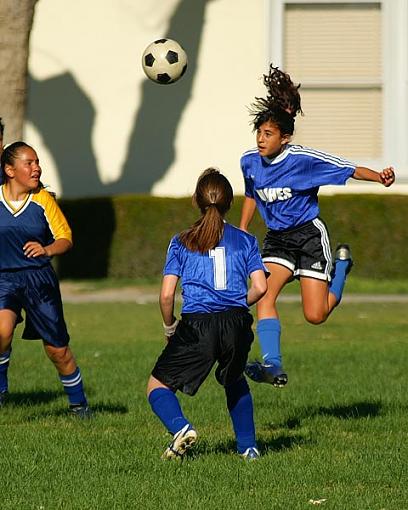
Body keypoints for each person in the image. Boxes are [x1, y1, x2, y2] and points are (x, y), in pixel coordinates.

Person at [239, 64, 395, 388]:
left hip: (309, 237)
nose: (260, 139)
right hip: (278, 241)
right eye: (259, 132)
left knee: (316, 315)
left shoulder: (303, 160)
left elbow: (349, 169)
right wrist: (242, 230)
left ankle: (341, 269)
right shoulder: (249, 162)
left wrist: (379, 177)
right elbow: (251, 194)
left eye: (268, 134)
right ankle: (273, 365)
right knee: (264, 294)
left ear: (285, 138)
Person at [147, 168, 268, 460]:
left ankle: (181, 428)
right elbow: (261, 287)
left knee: (157, 385)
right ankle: (249, 448)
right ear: (230, 203)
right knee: (234, 378)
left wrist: (169, 327)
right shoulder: (246, 240)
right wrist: (239, 304)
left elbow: (166, 295)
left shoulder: (181, 241)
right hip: (237, 321)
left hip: (198, 324)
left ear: (196, 201)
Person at [0, 141, 91, 417]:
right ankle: (2, 388)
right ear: (10, 170)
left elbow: (65, 238)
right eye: (29, 163)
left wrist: (47, 249)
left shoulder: (43, 200)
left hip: (39, 281)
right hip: (3, 279)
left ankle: (79, 405)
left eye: (37, 162)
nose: (36, 168)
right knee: (1, 332)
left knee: (57, 350)